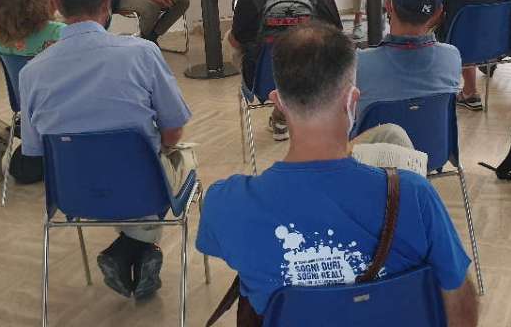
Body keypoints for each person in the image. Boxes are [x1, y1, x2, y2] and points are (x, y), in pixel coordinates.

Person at [197, 23, 478, 324]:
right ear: (351, 101)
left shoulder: (227, 204)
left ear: (278, 102)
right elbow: (459, 301)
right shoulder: (414, 195)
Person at [19, 0, 191, 299]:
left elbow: (35, 151)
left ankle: (131, 251)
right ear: (108, 0)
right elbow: (173, 130)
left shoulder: (31, 73)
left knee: (119, 167)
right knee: (167, 161)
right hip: (142, 188)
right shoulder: (142, 54)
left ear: (54, 2)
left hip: (73, 193)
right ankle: (132, 250)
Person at [229, 0, 342, 141]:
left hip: (265, 81)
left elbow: (237, 42)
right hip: (317, 79)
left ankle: (281, 112)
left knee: (233, 40)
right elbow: (339, 41)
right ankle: (287, 115)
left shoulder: (249, 2)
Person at [0, 0, 64, 184]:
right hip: (59, 110)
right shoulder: (59, 32)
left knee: (21, 168)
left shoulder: (0, 37)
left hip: (26, 107)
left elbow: (26, 32)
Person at [356, 0, 461, 122]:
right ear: (438, 13)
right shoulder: (451, 56)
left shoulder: (359, 63)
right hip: (431, 138)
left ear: (388, 6)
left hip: (380, 138)